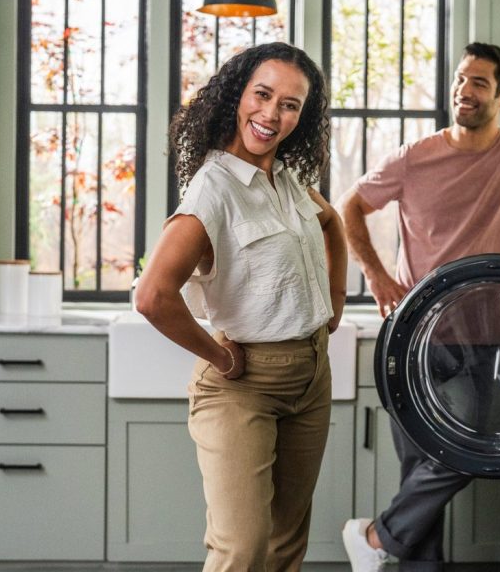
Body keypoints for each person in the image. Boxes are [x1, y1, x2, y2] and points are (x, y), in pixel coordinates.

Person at [339, 42, 500, 571]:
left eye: (479, 83)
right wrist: (374, 273)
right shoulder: (415, 156)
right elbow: (350, 205)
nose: (464, 90)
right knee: (423, 465)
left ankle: (376, 536)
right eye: (461, 79)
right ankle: (394, 548)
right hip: (416, 337)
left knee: (462, 454)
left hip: (491, 336)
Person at [135, 42, 348, 571]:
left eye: (291, 104)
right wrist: (222, 357)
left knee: (286, 543)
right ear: (237, 95)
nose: (272, 114)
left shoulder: (286, 180)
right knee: (242, 547)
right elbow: (152, 295)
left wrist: (334, 304)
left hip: (312, 375)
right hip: (242, 386)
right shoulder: (213, 190)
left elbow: (333, 225)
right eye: (262, 94)